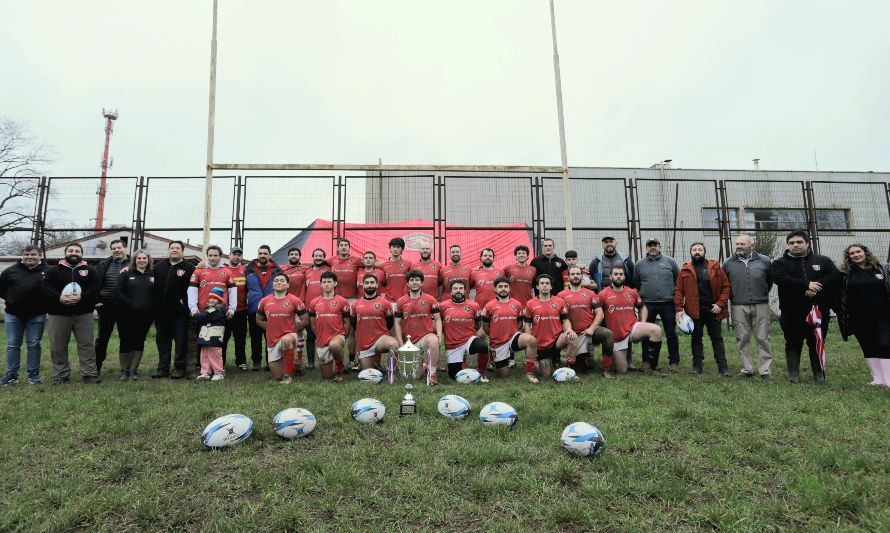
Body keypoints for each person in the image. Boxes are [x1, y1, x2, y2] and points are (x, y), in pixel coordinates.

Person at [770, 230, 838, 384]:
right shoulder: (780, 263)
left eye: (799, 242)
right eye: (792, 243)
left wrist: (816, 286)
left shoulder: (823, 261)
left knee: (816, 342)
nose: (795, 245)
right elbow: (780, 278)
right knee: (793, 343)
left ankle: (819, 374)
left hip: (818, 313)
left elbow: (835, 277)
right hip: (791, 313)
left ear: (807, 243)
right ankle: (793, 374)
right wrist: (805, 285)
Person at [41, 243, 102, 384]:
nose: (74, 253)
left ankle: (89, 374)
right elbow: (46, 287)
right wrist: (59, 297)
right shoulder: (53, 271)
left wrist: (82, 297)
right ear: (65, 253)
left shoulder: (90, 271)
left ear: (81, 254)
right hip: (58, 314)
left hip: (84, 314)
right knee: (58, 346)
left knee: (86, 345)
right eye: (71, 250)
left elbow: (96, 287)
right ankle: (60, 375)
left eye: (77, 251)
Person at [835, 243, 890, 387]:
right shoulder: (845, 273)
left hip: (883, 315)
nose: (855, 255)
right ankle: (878, 380)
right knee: (868, 346)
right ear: (848, 257)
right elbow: (838, 294)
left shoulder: (881, 268)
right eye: (851, 253)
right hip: (858, 317)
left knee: (885, 344)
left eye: (858, 252)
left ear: (865, 252)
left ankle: (888, 380)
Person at [674, 242, 732, 376]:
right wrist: (679, 309)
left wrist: (720, 304)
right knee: (696, 338)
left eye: (700, 249)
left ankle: (723, 368)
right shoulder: (685, 270)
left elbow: (726, 286)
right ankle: (697, 367)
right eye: (694, 249)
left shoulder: (715, 266)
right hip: (694, 310)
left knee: (717, 338)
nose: (697, 252)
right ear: (691, 252)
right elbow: (678, 291)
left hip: (713, 309)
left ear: (704, 252)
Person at [723, 234, 773, 379]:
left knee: (763, 338)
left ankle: (765, 371)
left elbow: (769, 281)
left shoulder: (765, 260)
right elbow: (725, 285)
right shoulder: (728, 263)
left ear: (752, 246)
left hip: (761, 304)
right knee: (742, 337)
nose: (738, 246)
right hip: (738, 305)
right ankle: (746, 370)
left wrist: (761, 294)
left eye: (742, 244)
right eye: (737, 244)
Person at [599, 265, 663, 375]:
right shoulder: (603, 294)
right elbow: (597, 313)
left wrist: (642, 322)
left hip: (633, 327)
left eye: (621, 274)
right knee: (622, 370)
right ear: (610, 276)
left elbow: (642, 307)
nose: (618, 277)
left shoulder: (632, 292)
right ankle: (618, 360)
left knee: (656, 330)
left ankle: (653, 368)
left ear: (624, 276)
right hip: (616, 336)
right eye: (615, 274)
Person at [0, 245, 47, 385]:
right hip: (13, 314)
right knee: (12, 344)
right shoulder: (10, 271)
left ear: (39, 256)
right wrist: (13, 300)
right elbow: (2, 290)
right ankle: (11, 375)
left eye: (33, 254)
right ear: (22, 256)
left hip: (37, 314)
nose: (29, 257)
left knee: (34, 344)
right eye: (26, 254)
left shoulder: (47, 271)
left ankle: (33, 375)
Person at [188, 246, 237, 376]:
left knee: (219, 342)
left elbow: (233, 291)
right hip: (203, 313)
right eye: (210, 255)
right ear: (207, 256)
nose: (213, 258)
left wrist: (232, 308)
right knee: (203, 342)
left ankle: (219, 369)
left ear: (220, 256)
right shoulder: (199, 271)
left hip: (220, 314)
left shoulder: (226, 272)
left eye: (215, 255)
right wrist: (193, 308)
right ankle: (204, 370)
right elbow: (192, 290)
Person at [557, 265, 615, 377]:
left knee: (607, 334)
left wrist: (592, 328)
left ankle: (606, 369)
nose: (575, 276)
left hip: (589, 331)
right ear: (568, 277)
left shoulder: (590, 293)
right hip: (573, 335)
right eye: (572, 274)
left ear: (582, 276)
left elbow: (600, 313)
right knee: (581, 368)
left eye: (578, 274)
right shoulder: (561, 295)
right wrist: (568, 330)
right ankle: (570, 358)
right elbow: (562, 318)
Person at [633, 238, 680, 373]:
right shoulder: (639, 264)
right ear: (646, 248)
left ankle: (674, 362)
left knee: (671, 334)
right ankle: (647, 362)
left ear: (660, 247)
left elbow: (678, 280)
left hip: (668, 303)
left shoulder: (670, 262)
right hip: (648, 304)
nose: (652, 248)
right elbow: (636, 282)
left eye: (655, 245)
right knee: (646, 334)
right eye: (650, 246)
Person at [150, 240, 195, 379]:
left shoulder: (189, 268)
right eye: (172, 248)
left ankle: (179, 368)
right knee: (162, 341)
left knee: (180, 342)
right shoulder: (158, 267)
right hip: (161, 313)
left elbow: (194, 289)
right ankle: (162, 368)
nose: (174, 250)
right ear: (168, 250)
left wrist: (185, 304)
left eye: (177, 248)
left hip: (180, 313)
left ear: (182, 251)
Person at [481, 277, 539, 381]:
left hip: (513, 337)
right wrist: (494, 335)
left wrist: (514, 333)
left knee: (531, 340)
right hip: (498, 343)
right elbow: (485, 326)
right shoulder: (489, 306)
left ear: (509, 289)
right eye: (500, 287)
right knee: (503, 375)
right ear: (495, 289)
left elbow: (520, 323)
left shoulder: (517, 304)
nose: (503, 289)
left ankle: (529, 373)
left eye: (506, 286)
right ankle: (493, 355)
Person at [256, 273, 309, 384]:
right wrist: (270, 328)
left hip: (289, 335)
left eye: (282, 280)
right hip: (272, 340)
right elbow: (259, 320)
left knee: (286, 341)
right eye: (276, 280)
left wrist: (293, 330)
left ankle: (288, 377)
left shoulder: (294, 300)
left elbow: (305, 320)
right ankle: (296, 363)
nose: (278, 282)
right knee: (277, 375)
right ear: (272, 284)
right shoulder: (264, 301)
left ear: (288, 285)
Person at [394, 270, 443, 386]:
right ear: (407, 283)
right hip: (409, 341)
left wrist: (439, 336)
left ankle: (432, 373)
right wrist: (401, 343)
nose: (414, 282)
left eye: (417, 280)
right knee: (413, 377)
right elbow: (397, 323)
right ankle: (425, 365)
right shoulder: (401, 301)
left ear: (422, 283)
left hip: (425, 337)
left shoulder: (430, 299)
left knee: (433, 340)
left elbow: (438, 319)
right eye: (411, 280)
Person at [114, 249, 155, 381]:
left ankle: (133, 370)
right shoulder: (126, 273)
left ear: (148, 260)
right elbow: (118, 292)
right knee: (125, 341)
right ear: (134, 260)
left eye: (144, 258)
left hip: (145, 315)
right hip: (126, 314)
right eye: (139, 258)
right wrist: (130, 304)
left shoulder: (153, 275)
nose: (142, 260)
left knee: (139, 341)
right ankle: (124, 371)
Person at [439, 279, 489, 382]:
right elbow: (438, 323)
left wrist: (478, 337)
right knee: (454, 376)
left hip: (468, 340)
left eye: (461, 288)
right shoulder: (443, 306)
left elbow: (479, 325)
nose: (458, 290)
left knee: (483, 346)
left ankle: (482, 372)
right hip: (452, 345)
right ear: (451, 291)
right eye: (455, 288)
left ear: (465, 291)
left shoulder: (474, 305)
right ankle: (460, 365)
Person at [524, 274, 572, 380]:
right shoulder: (530, 303)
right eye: (542, 283)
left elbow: (565, 320)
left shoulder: (559, 301)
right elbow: (527, 324)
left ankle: (570, 368)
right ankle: (539, 361)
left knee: (571, 337)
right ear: (537, 287)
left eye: (547, 283)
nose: (544, 286)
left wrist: (569, 329)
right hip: (540, 345)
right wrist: (530, 340)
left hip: (556, 340)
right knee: (546, 374)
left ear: (551, 287)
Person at [350, 273, 400, 370]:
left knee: (393, 344)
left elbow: (389, 324)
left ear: (377, 285)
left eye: (372, 283)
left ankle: (391, 371)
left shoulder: (385, 303)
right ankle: (372, 363)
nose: (369, 285)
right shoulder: (355, 304)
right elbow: (354, 324)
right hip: (364, 344)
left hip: (380, 340)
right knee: (369, 373)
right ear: (363, 285)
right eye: (367, 283)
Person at [308, 271, 350, 383]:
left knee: (335, 346)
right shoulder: (314, 302)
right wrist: (319, 336)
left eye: (329, 282)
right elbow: (312, 324)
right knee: (327, 376)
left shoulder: (342, 301)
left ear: (335, 283)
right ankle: (336, 363)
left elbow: (347, 323)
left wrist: (343, 337)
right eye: (324, 282)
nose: (326, 284)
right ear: (320, 284)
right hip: (321, 338)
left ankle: (340, 369)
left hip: (337, 335)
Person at [94, 239, 128, 374]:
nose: (116, 250)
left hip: (125, 307)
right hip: (106, 306)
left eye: (119, 247)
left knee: (126, 337)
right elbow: (95, 284)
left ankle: (125, 368)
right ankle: (96, 367)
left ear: (125, 248)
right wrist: (97, 302)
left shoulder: (133, 263)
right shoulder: (103, 264)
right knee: (102, 338)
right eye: (114, 248)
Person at [245, 245, 281, 371]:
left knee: (271, 338)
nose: (262, 256)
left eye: (265, 253)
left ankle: (270, 362)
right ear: (257, 254)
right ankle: (256, 362)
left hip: (272, 310)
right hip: (254, 309)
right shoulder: (248, 270)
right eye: (260, 253)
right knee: (255, 337)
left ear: (270, 255)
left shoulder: (277, 270)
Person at [303, 248, 332, 369]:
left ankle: (327, 360)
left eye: (321, 256)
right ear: (312, 257)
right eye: (316, 256)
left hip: (326, 308)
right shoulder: (307, 272)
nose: (318, 258)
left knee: (327, 335)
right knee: (310, 336)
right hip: (310, 308)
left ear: (324, 258)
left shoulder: (328, 270)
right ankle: (310, 363)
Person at [222, 246, 248, 370]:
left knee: (240, 338)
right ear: (229, 255)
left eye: (239, 255)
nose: (237, 257)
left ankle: (241, 362)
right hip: (225, 311)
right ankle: (220, 363)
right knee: (223, 338)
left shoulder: (245, 270)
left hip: (241, 310)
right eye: (234, 254)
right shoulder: (222, 269)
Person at [195, 287, 227, 381]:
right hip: (206, 337)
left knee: (215, 355)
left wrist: (195, 314)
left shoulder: (218, 310)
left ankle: (219, 372)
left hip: (214, 337)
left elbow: (202, 316)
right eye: (211, 298)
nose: (212, 300)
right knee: (204, 354)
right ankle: (205, 372)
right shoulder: (210, 309)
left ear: (219, 300)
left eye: (215, 298)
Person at [380, 237, 411, 303]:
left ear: (402, 249)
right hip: (388, 301)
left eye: (398, 247)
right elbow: (382, 285)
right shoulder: (383, 266)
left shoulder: (408, 264)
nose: (395, 249)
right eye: (393, 247)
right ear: (390, 248)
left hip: (404, 301)